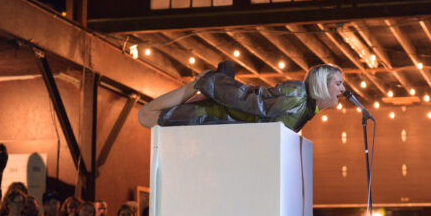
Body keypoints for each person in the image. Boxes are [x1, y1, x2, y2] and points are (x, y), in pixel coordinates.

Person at [138, 62, 346, 133]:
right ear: (321, 83)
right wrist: (212, 82)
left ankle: (204, 84)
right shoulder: (297, 96)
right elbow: (252, 99)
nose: (343, 89)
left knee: (148, 116)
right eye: (338, 83)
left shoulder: (306, 109)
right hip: (216, 114)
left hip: (223, 120)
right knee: (146, 116)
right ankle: (199, 82)